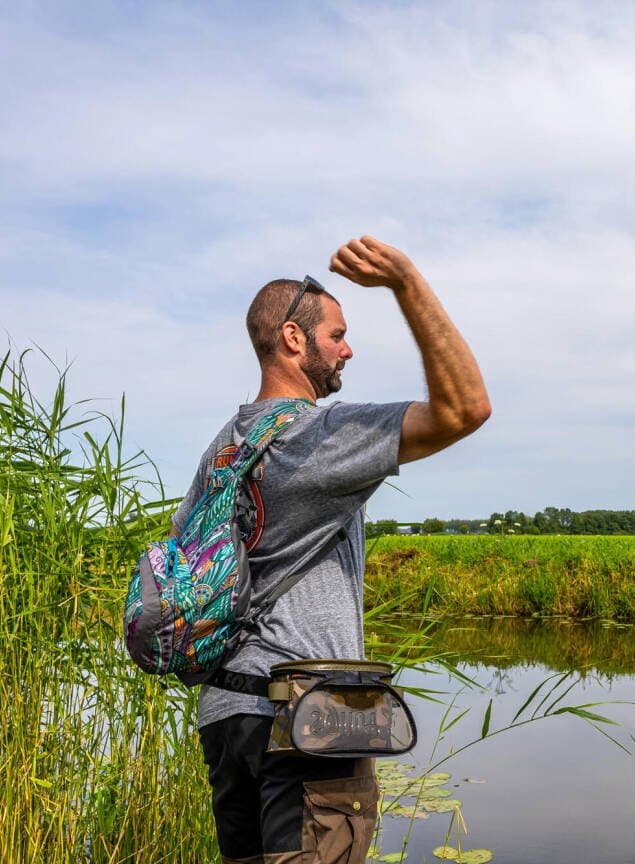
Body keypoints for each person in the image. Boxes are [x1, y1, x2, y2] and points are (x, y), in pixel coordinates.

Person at [172, 235, 490, 864]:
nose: (348, 349)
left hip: (226, 716)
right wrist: (406, 283)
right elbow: (465, 408)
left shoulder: (224, 450)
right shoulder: (316, 436)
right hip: (307, 720)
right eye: (337, 334)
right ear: (294, 338)